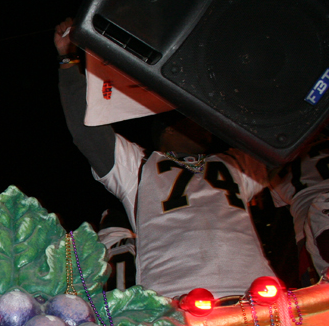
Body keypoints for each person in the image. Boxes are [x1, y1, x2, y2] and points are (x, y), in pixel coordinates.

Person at [55, 18, 274, 299]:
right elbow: (89, 133)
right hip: (176, 299)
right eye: (193, 122)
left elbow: (278, 143)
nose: (205, 129)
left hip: (255, 293)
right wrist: (69, 60)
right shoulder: (139, 166)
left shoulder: (233, 164)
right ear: (169, 130)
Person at [270, 132, 329, 284]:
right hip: (318, 214)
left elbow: (282, 203)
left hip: (306, 223)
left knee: (317, 290)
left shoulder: (272, 162)